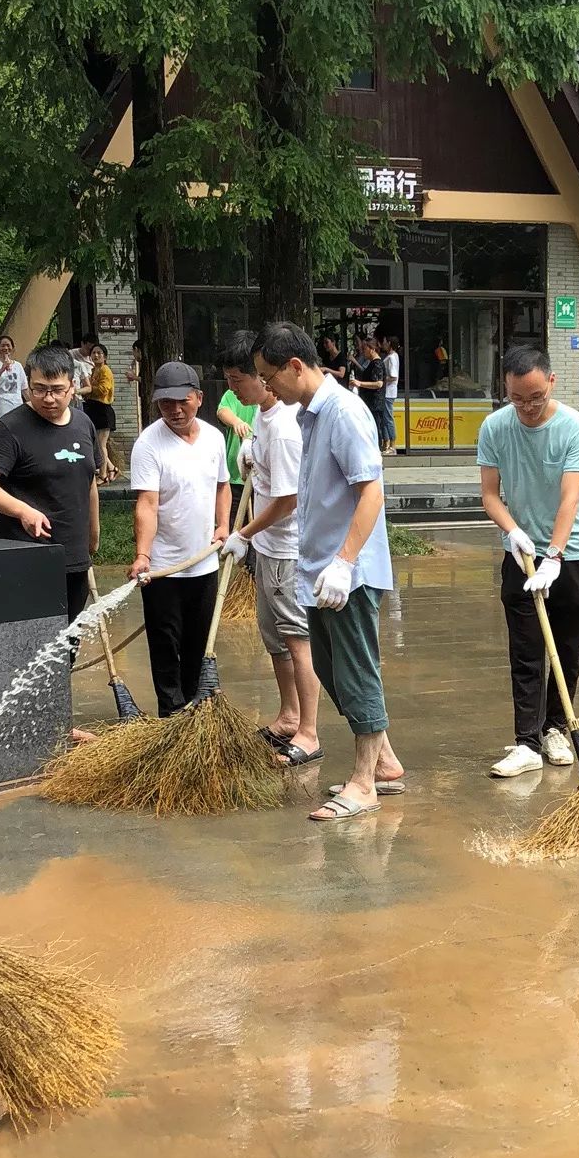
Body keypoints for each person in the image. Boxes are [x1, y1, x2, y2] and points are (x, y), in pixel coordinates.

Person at [251, 321, 404, 822]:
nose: (265, 387)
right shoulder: (308, 416)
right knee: (332, 672)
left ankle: (363, 784)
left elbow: (371, 491)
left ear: (296, 366)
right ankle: (383, 762)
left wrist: (343, 563)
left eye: (269, 376)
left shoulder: (344, 412)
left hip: (347, 575)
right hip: (318, 571)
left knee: (356, 673)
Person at [478, 344, 579, 777]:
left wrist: (555, 555)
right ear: (505, 390)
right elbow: (490, 494)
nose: (527, 407)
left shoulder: (573, 427)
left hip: (572, 553)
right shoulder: (495, 427)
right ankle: (526, 742)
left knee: (567, 650)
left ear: (551, 383)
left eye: (535, 397)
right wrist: (513, 531)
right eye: (516, 398)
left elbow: (570, 496)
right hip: (522, 556)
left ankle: (556, 730)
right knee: (526, 650)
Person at [218, 331, 322, 767]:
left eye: (242, 380)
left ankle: (309, 733)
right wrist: (250, 455)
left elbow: (288, 501)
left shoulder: (283, 428)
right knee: (274, 638)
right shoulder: (263, 419)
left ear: (264, 378)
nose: (236, 389)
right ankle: (288, 715)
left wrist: (242, 533)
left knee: (296, 638)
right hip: (266, 545)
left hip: (286, 548)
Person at [0, 344, 98, 643]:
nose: (49, 398)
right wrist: (23, 511)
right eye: (40, 389)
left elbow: (89, 480)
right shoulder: (10, 428)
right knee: (29, 649)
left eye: (57, 389)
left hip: (75, 555)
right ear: (29, 383)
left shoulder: (83, 423)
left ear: (73, 387)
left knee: (65, 648)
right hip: (27, 558)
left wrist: (94, 532)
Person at [129, 362, 231, 715]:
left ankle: (195, 716)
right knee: (165, 646)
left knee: (198, 646)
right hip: (162, 570)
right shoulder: (148, 444)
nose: (174, 410)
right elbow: (147, 504)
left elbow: (222, 486)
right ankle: (171, 717)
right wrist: (143, 555)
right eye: (165, 403)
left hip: (204, 563)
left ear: (199, 398)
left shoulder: (215, 438)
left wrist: (223, 525)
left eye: (181, 401)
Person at [216, 375, 257, 487]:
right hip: (235, 476)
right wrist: (236, 422)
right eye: (229, 378)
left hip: (262, 477)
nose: (232, 384)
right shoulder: (233, 393)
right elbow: (222, 411)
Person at [84, 343, 116, 483]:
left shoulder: (105, 370)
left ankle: (103, 475)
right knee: (97, 444)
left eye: (99, 353)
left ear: (105, 356)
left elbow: (104, 389)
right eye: (94, 353)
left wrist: (90, 389)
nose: (96, 355)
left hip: (102, 409)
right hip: (93, 408)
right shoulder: (93, 370)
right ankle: (112, 468)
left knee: (101, 444)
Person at [0, 334, 27, 419]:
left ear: (12, 348)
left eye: (8, 345)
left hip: (17, 407)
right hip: (2, 409)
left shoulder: (18, 366)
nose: (6, 348)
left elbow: (24, 388)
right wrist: (2, 368)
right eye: (3, 346)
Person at [353, 336, 387, 443]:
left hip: (375, 403)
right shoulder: (372, 363)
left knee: (376, 428)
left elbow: (378, 383)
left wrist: (360, 383)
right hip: (370, 402)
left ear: (372, 349)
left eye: (365, 349)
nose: (363, 352)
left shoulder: (377, 364)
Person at [380, 334, 401, 454]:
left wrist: (381, 379)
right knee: (385, 417)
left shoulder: (392, 357)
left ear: (389, 343)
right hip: (387, 392)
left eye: (384, 342)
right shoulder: (392, 356)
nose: (383, 344)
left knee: (388, 418)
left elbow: (393, 376)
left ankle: (392, 444)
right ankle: (386, 443)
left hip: (389, 392)